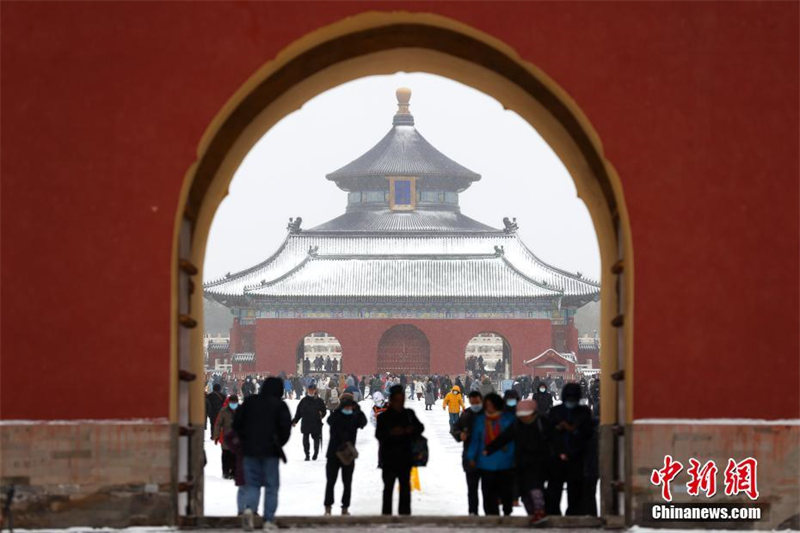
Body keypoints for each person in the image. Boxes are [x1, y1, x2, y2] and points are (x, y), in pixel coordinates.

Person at [233, 377, 292, 530]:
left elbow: (237, 424)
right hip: (271, 452)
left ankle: (249, 511)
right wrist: (278, 442)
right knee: (271, 487)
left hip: (249, 451)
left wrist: (245, 441)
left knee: (252, 484)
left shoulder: (250, 402)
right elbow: (285, 429)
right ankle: (268, 520)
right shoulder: (280, 405)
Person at [485, 399, 550, 524]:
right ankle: (533, 514)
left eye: (526, 415)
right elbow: (504, 437)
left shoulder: (543, 422)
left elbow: (554, 439)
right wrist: (490, 449)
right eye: (521, 416)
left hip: (540, 461)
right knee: (524, 490)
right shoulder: (517, 424)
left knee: (535, 486)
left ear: (533, 413)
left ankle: (540, 512)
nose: (524, 418)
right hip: (521, 462)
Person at [375, 384, 424, 516]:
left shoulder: (409, 414)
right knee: (388, 489)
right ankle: (386, 516)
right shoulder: (383, 417)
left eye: (401, 399)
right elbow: (379, 435)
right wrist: (392, 433)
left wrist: (409, 430)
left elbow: (420, 428)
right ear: (391, 400)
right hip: (389, 458)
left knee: (405, 488)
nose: (400, 402)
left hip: (405, 458)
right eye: (397, 400)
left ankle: (405, 516)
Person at [545, 382, 593, 516]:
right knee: (554, 489)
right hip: (557, 456)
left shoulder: (583, 412)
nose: (570, 401)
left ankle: (573, 514)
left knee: (575, 489)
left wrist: (574, 430)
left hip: (577, 456)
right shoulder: (556, 411)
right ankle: (553, 514)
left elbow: (588, 433)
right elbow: (549, 434)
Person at [467, 392, 515, 516]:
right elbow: (475, 440)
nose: (489, 407)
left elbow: (513, 439)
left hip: (505, 461)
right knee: (488, 492)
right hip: (485, 461)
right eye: (487, 405)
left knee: (505, 491)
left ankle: (507, 511)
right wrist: (471, 456)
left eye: (491, 405)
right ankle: (491, 515)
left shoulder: (508, 419)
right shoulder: (480, 420)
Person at [323, 394, 367, 515]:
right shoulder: (336, 416)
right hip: (334, 454)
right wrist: (341, 408)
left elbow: (363, 422)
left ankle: (344, 507)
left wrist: (356, 408)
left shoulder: (354, 417)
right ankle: (328, 507)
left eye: (350, 405)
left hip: (347, 454)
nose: (348, 408)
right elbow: (329, 420)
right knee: (331, 482)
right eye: (346, 405)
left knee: (346, 483)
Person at [451, 390, 483, 515]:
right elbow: (455, 428)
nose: (475, 404)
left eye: (477, 402)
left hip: (487, 457)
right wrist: (460, 435)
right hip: (470, 457)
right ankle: (473, 513)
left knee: (488, 489)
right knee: (472, 488)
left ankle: (490, 513)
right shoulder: (466, 414)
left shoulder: (488, 414)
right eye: (472, 402)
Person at [292, 383, 327, 461]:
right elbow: (299, 412)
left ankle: (316, 453)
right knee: (305, 440)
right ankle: (307, 455)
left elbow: (324, 411)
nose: (311, 391)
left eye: (313, 390)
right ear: (308, 390)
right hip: (306, 423)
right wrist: (295, 421)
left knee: (316, 439)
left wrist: (322, 414)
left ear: (315, 390)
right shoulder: (303, 401)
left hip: (316, 423)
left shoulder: (319, 401)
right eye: (310, 390)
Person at [212, 394, 239, 479]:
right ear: (229, 402)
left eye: (235, 403)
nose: (233, 404)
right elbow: (218, 424)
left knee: (235, 456)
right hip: (226, 437)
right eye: (232, 402)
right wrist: (216, 436)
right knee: (226, 455)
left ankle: (234, 472)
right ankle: (226, 472)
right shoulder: (223, 411)